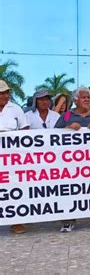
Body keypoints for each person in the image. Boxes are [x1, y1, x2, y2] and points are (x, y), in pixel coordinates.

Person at [54, 87, 90, 232]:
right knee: (70, 190)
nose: (87, 100)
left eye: (88, 97)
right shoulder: (66, 116)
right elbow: (52, 136)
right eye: (83, 97)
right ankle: (68, 220)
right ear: (76, 100)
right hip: (71, 163)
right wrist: (68, 128)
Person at [0, 80, 29, 234]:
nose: (5, 95)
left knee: (13, 187)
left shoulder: (16, 109)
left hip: (12, 157)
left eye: (6, 92)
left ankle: (16, 221)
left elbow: (25, 129)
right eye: (1, 93)